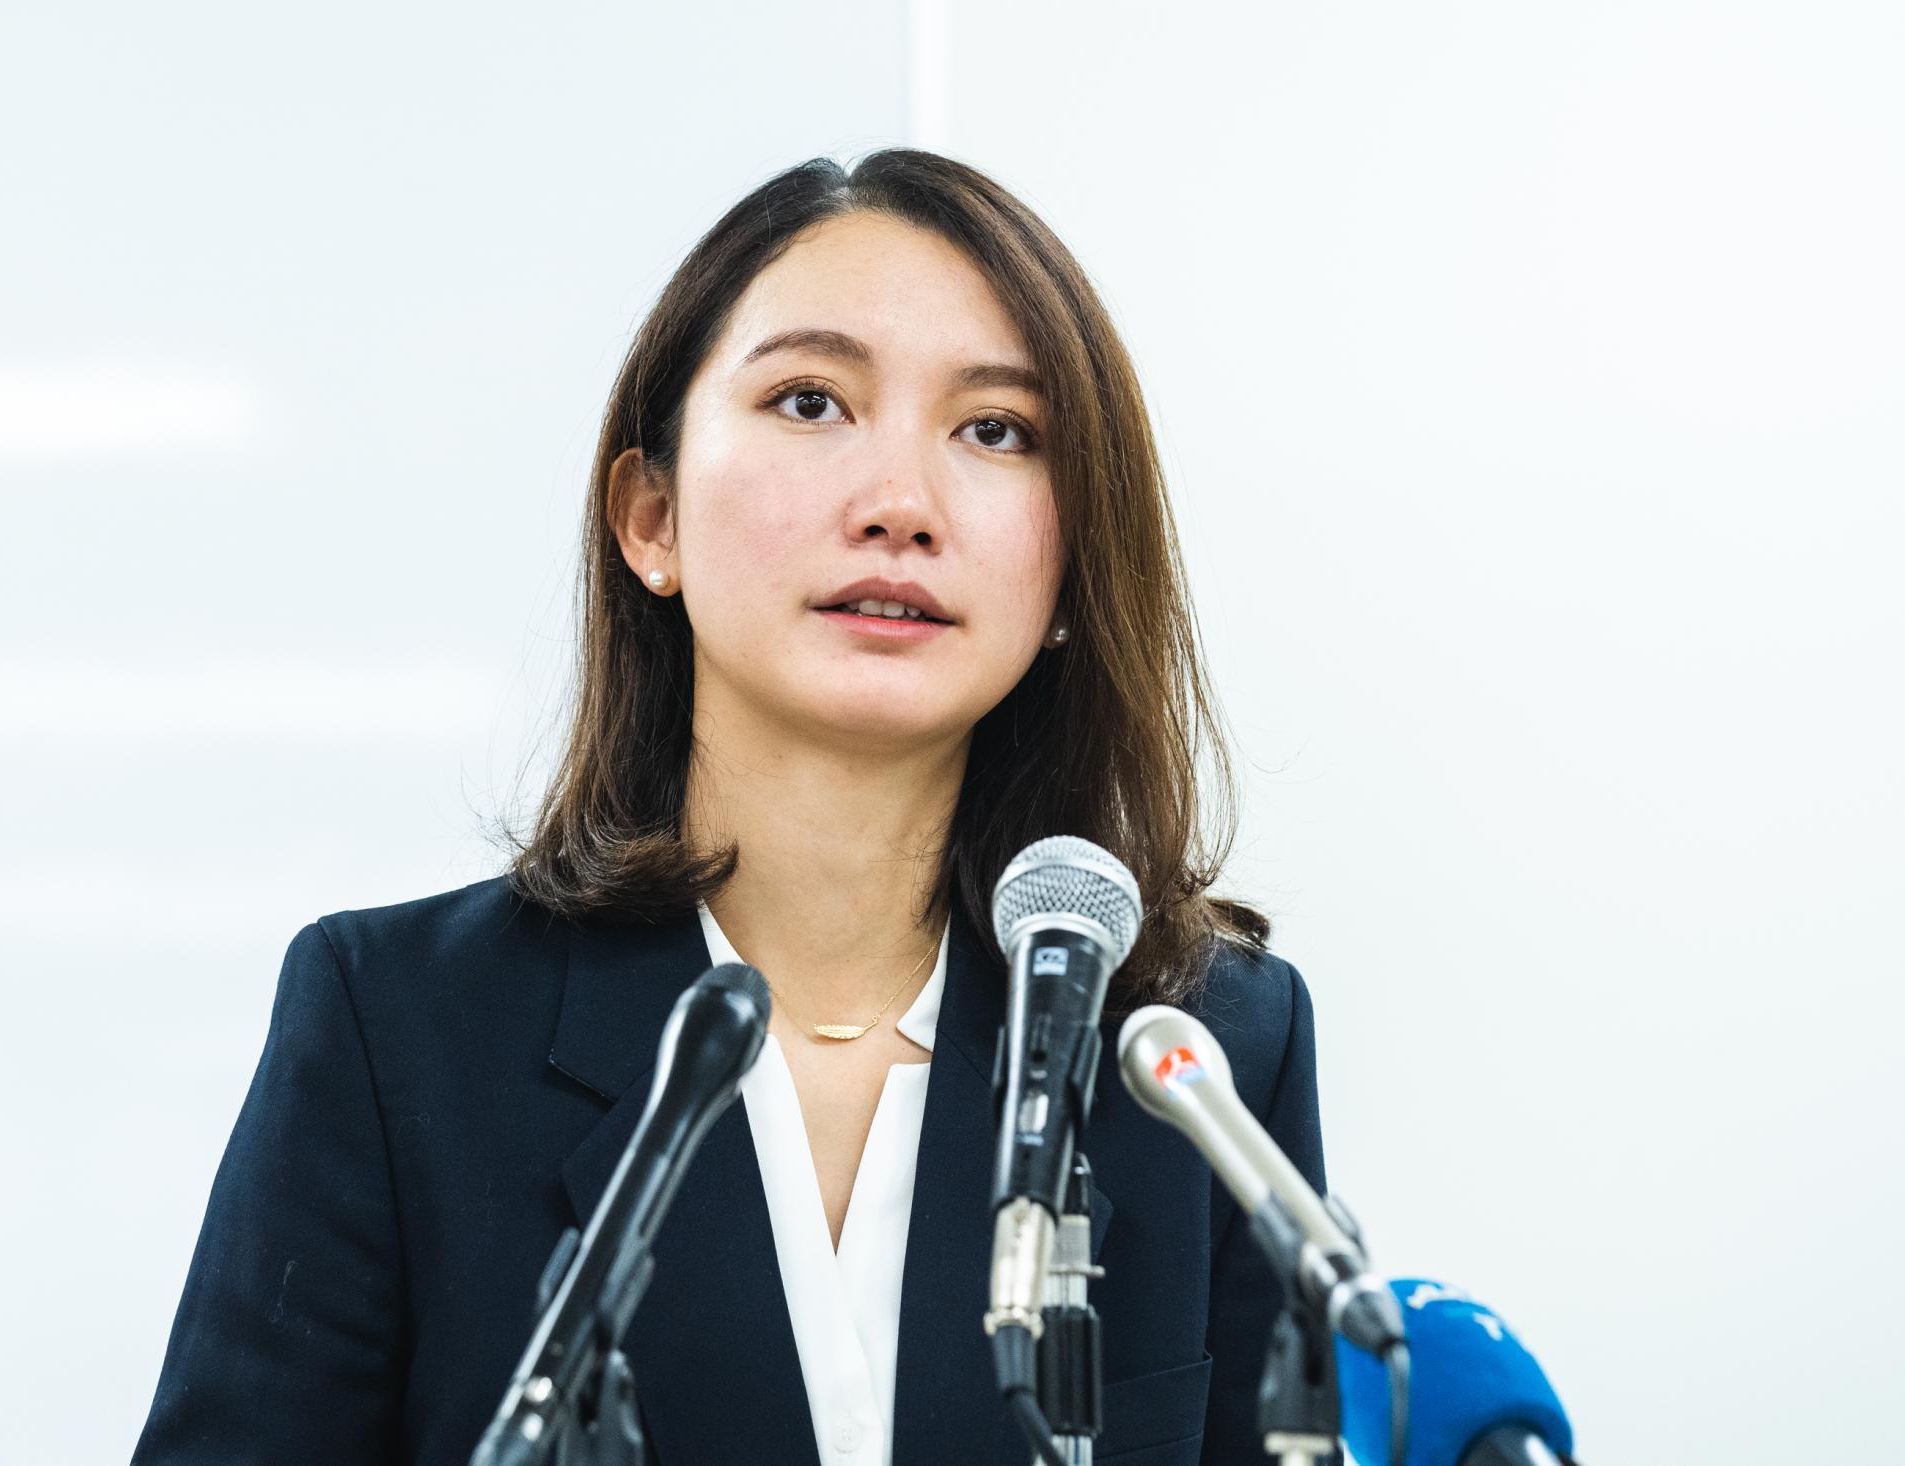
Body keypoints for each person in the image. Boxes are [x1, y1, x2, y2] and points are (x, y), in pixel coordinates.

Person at [130, 148, 1324, 1466]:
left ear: (1072, 560)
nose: (900, 506)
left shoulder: (1201, 1053)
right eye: (812, 402)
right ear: (651, 517)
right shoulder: (397, 1029)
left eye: (996, 430)